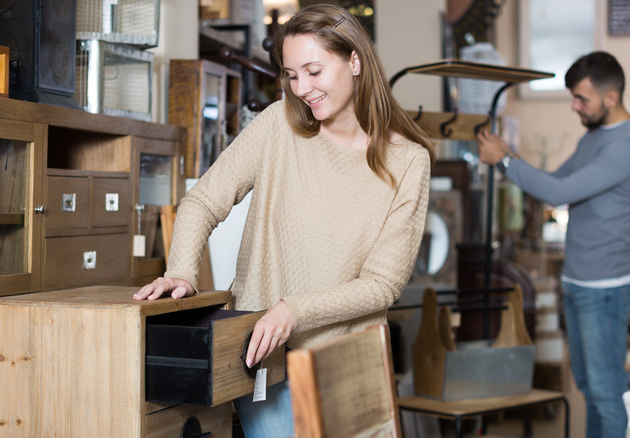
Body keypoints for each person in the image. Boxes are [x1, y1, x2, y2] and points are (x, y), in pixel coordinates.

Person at [133, 5, 434, 437]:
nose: (302, 88)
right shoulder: (278, 125)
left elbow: (382, 284)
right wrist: (180, 270)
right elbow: (202, 201)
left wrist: (291, 312)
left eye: (313, 70)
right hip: (268, 362)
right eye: (292, 75)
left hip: (347, 365)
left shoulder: (407, 161)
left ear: (355, 61)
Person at [477, 51, 630, 438]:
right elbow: (554, 178)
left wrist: (504, 163)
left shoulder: (629, 144)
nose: (575, 106)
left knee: (607, 394)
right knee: (589, 390)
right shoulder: (595, 137)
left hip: (605, 287)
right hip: (579, 281)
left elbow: (558, 193)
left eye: (581, 99)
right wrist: (509, 155)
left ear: (610, 97)